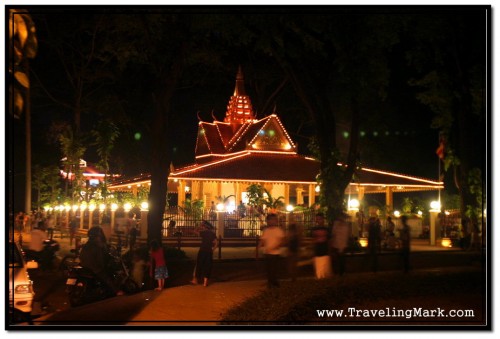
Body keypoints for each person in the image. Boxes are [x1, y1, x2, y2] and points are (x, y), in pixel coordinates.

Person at [79, 226, 123, 296]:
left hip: (84, 265)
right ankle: (117, 291)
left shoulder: (89, 243)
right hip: (93, 267)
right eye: (99, 235)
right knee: (106, 277)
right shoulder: (97, 245)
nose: (100, 236)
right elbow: (100, 260)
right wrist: (103, 266)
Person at [259, 213, 285, 288]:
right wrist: (257, 249)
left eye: (273, 220)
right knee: (268, 269)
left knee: (274, 269)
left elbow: (282, 241)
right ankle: (271, 283)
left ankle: (274, 283)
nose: (271, 221)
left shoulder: (278, 230)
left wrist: (274, 247)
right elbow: (262, 240)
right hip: (267, 253)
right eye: (269, 220)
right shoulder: (266, 230)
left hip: (275, 254)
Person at [191, 220, 218, 287]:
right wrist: (213, 249)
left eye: (203, 226)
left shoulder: (203, 233)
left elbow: (194, 231)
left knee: (199, 265)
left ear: (204, 227)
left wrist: (198, 226)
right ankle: (205, 282)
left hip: (202, 250)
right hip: (209, 251)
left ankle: (196, 280)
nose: (202, 227)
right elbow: (216, 243)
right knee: (207, 266)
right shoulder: (212, 233)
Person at [311, 212, 332, 279]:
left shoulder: (327, 229)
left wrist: (329, 250)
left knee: (325, 270)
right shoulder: (314, 229)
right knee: (319, 270)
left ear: (323, 219)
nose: (318, 221)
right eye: (317, 219)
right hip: (318, 250)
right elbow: (313, 240)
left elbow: (329, 240)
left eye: (320, 219)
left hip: (325, 250)